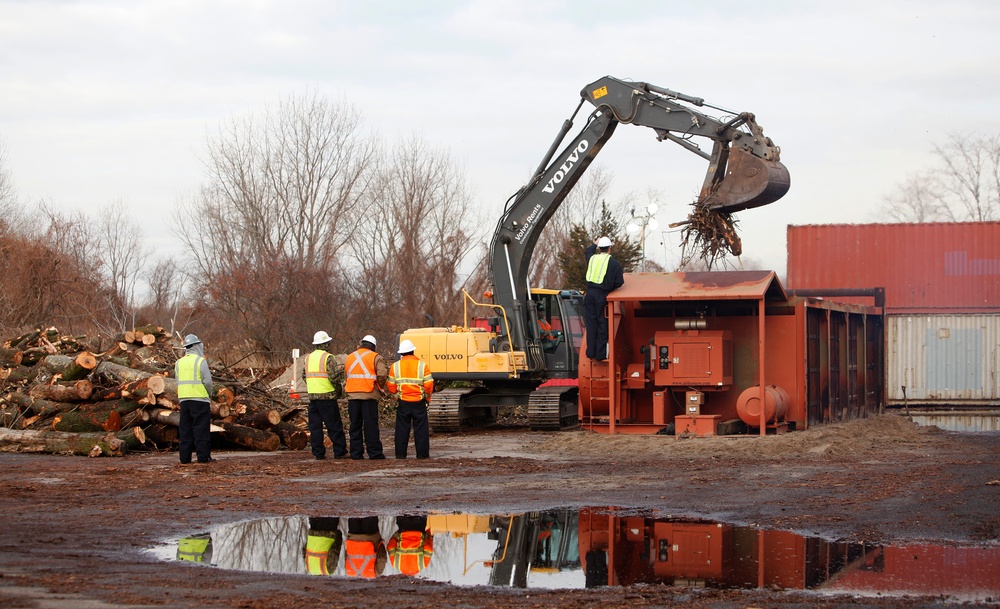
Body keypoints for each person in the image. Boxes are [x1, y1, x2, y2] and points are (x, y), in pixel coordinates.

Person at [304, 330, 348, 461]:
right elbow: (334, 377)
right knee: (334, 425)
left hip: (313, 397)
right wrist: (338, 390)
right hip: (327, 397)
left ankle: (318, 452)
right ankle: (340, 451)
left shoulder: (308, 358)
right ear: (326, 344)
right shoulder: (328, 358)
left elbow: (304, 375)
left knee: (315, 427)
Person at [387, 340, 434, 459]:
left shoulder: (395, 366)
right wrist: (427, 398)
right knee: (421, 430)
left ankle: (400, 454)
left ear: (402, 353)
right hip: (419, 401)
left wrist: (397, 396)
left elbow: (391, 385)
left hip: (403, 402)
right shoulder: (422, 366)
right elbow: (429, 385)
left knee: (402, 430)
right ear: (413, 351)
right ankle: (422, 454)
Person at [344, 334, 387, 460]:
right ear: (373, 346)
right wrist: (380, 387)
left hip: (352, 395)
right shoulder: (375, 357)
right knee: (370, 426)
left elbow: (346, 374)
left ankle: (356, 453)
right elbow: (382, 374)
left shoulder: (350, 357)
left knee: (355, 425)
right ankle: (374, 453)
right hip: (369, 395)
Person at [583, 236, 625, 361]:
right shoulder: (614, 263)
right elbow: (619, 282)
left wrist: (594, 244)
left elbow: (588, 251)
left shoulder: (592, 259)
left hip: (589, 295)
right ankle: (600, 354)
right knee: (602, 324)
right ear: (609, 249)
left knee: (591, 324)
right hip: (602, 296)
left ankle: (591, 352)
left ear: (599, 248)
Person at [176, 334, 214, 465]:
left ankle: (184, 458)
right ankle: (203, 457)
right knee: (201, 429)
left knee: (185, 430)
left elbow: (177, 381)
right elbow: (207, 382)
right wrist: (209, 394)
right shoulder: (200, 361)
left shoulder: (179, 362)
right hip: (200, 400)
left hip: (184, 400)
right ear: (197, 345)